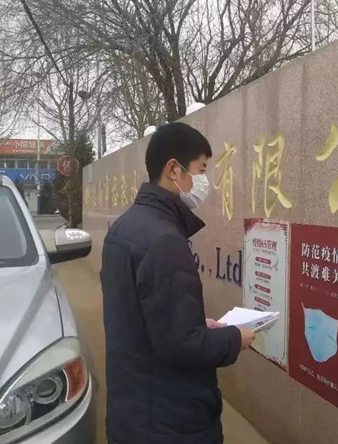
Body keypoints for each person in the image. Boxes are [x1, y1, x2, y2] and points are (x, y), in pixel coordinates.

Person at [100, 122, 255, 444]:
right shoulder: (164, 241)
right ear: (173, 170)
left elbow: (144, 319)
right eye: (201, 170)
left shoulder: (125, 227)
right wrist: (233, 338)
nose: (204, 182)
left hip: (132, 411)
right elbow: (182, 347)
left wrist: (196, 325)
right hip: (169, 422)